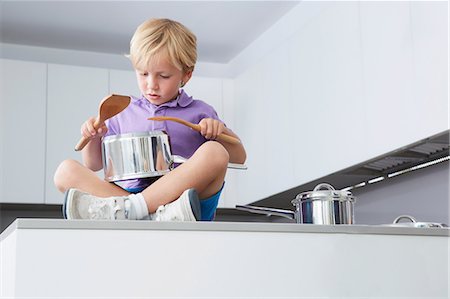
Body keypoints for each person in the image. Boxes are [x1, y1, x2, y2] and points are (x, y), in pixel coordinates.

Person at [54, 18, 246, 221]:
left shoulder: (200, 112)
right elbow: (93, 164)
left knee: (215, 152)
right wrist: (93, 136)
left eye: (163, 76)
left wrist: (219, 133)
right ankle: (140, 211)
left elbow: (239, 157)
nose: (151, 85)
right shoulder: (121, 111)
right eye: (143, 74)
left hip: (182, 204)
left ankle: (131, 210)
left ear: (186, 75)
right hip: (128, 196)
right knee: (64, 172)